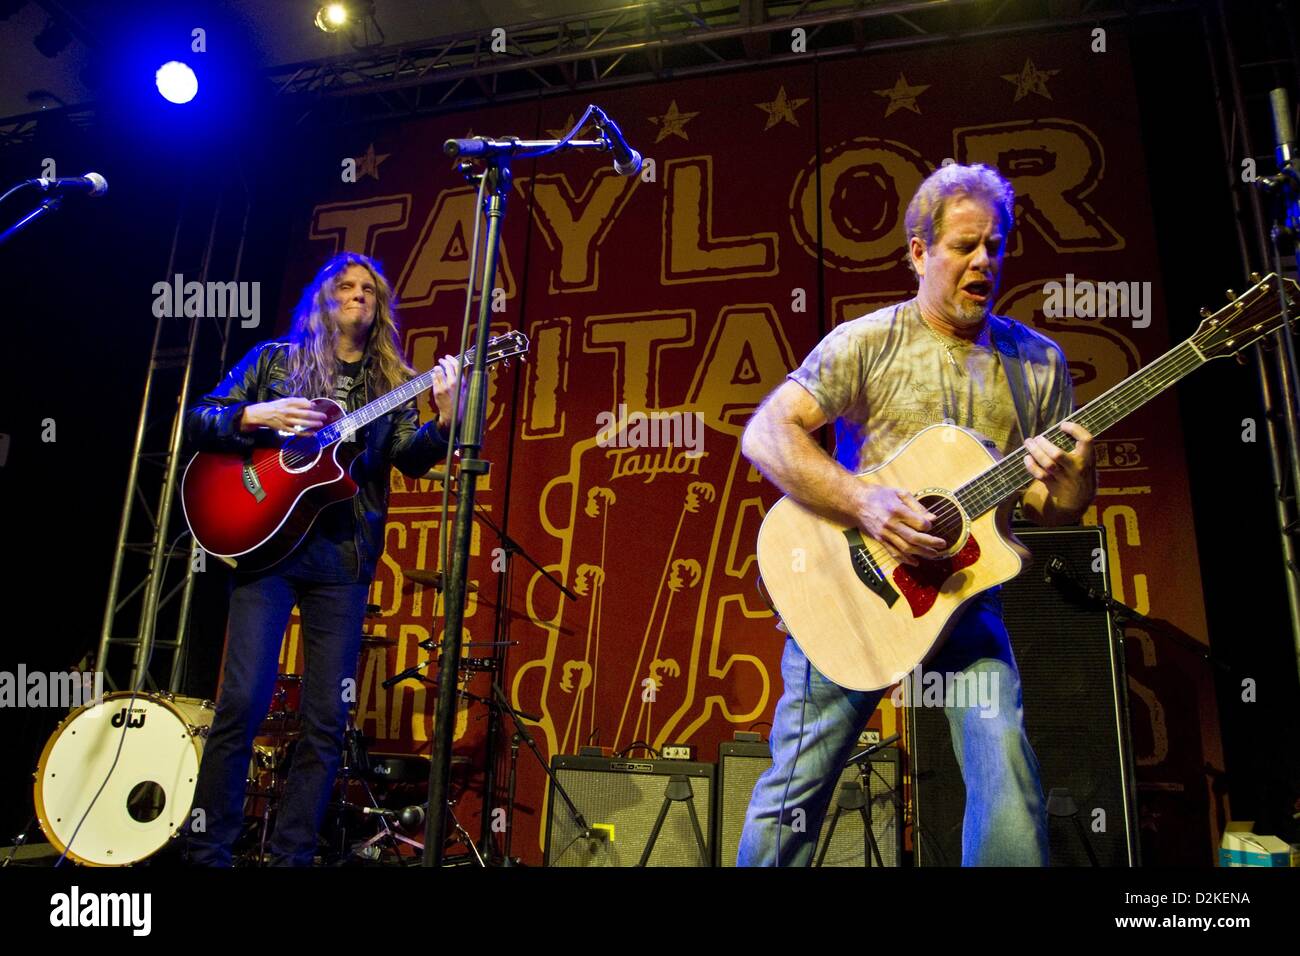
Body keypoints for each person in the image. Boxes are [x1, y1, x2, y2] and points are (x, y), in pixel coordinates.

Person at [736, 163, 1097, 866]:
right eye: (965, 246)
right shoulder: (868, 342)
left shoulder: (1039, 365)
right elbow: (766, 435)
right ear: (918, 252)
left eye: (996, 245)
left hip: (963, 603)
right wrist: (863, 501)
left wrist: (1075, 487)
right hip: (852, 593)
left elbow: (1055, 509)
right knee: (793, 800)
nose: (983, 262)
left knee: (1006, 768)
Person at [182, 251, 463, 866]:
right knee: (241, 705)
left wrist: (446, 417)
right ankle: (208, 853)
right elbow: (196, 420)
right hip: (266, 550)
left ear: (380, 306)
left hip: (342, 557)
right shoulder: (273, 362)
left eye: (369, 287)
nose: (358, 293)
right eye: (346, 284)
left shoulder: (390, 385)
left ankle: (293, 856)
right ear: (324, 298)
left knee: (325, 722)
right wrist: (255, 413)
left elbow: (411, 461)